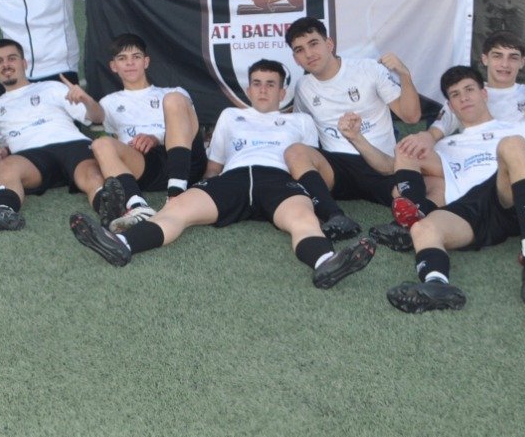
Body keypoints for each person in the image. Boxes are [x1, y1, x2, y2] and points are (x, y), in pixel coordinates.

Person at [70, 58, 379, 288]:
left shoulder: (301, 121)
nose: (262, 89)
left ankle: (326, 262)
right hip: (232, 178)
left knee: (303, 219)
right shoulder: (230, 116)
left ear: (283, 90)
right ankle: (123, 245)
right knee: (177, 210)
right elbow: (214, 166)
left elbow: (308, 164)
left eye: (271, 83)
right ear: (247, 88)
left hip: (278, 179)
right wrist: (196, 185)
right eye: (257, 83)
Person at [385, 65, 525, 312]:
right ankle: (436, 284)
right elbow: (404, 170)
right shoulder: (446, 144)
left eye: (469, 90)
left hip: (507, 197)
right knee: (423, 226)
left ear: (484, 93)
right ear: (450, 106)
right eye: (455, 94)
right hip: (467, 212)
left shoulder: (519, 128)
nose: (463, 97)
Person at [285, 16, 421, 242]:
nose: (309, 54)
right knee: (295, 152)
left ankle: (401, 228)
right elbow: (300, 128)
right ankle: (334, 217)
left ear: (329, 44)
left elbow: (411, 116)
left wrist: (405, 76)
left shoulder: (367, 69)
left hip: (380, 163)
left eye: (313, 43)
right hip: (338, 169)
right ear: (295, 59)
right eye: (300, 50)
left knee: (418, 176)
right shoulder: (303, 87)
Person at [0, 40, 107, 233]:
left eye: (12, 58)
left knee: (92, 175)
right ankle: (4, 213)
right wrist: (3, 153)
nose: (6, 65)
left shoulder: (52, 87)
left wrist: (87, 100)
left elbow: (97, 117)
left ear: (24, 64)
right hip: (32, 157)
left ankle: (110, 212)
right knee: (6, 165)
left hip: (71, 145)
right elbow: (6, 144)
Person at [81, 34, 201, 228]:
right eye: (122, 58)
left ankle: (176, 195)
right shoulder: (108, 102)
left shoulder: (174, 91)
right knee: (100, 143)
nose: (130, 63)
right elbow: (95, 117)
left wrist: (156, 137)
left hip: (184, 162)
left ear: (146, 62)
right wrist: (85, 99)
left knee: (173, 99)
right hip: (145, 165)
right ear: (113, 66)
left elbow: (189, 129)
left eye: (136, 57)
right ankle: (137, 206)